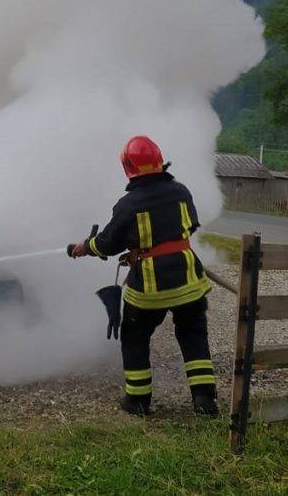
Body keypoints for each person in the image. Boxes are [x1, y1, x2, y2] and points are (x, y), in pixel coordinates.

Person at [69, 136, 217, 416]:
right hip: (188, 281)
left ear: (128, 167)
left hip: (150, 287)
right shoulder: (181, 191)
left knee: (135, 336)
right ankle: (204, 401)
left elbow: (108, 244)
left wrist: (85, 247)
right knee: (193, 333)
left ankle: (137, 401)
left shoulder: (129, 203)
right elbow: (191, 226)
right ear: (159, 161)